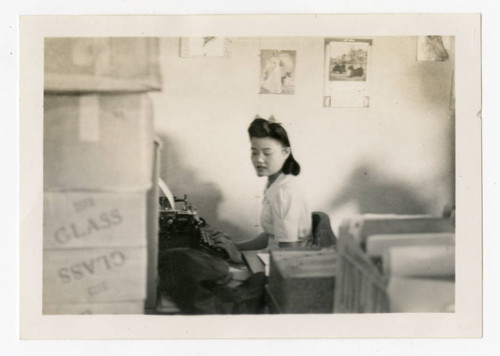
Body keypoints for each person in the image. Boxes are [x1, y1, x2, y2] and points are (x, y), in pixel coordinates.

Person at [213, 117, 312, 264]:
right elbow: (270, 236)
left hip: (289, 269)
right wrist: (235, 247)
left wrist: (241, 258)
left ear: (285, 152)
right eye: (254, 152)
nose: (259, 160)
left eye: (267, 153)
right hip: (274, 262)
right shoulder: (275, 184)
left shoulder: (285, 191)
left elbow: (287, 253)